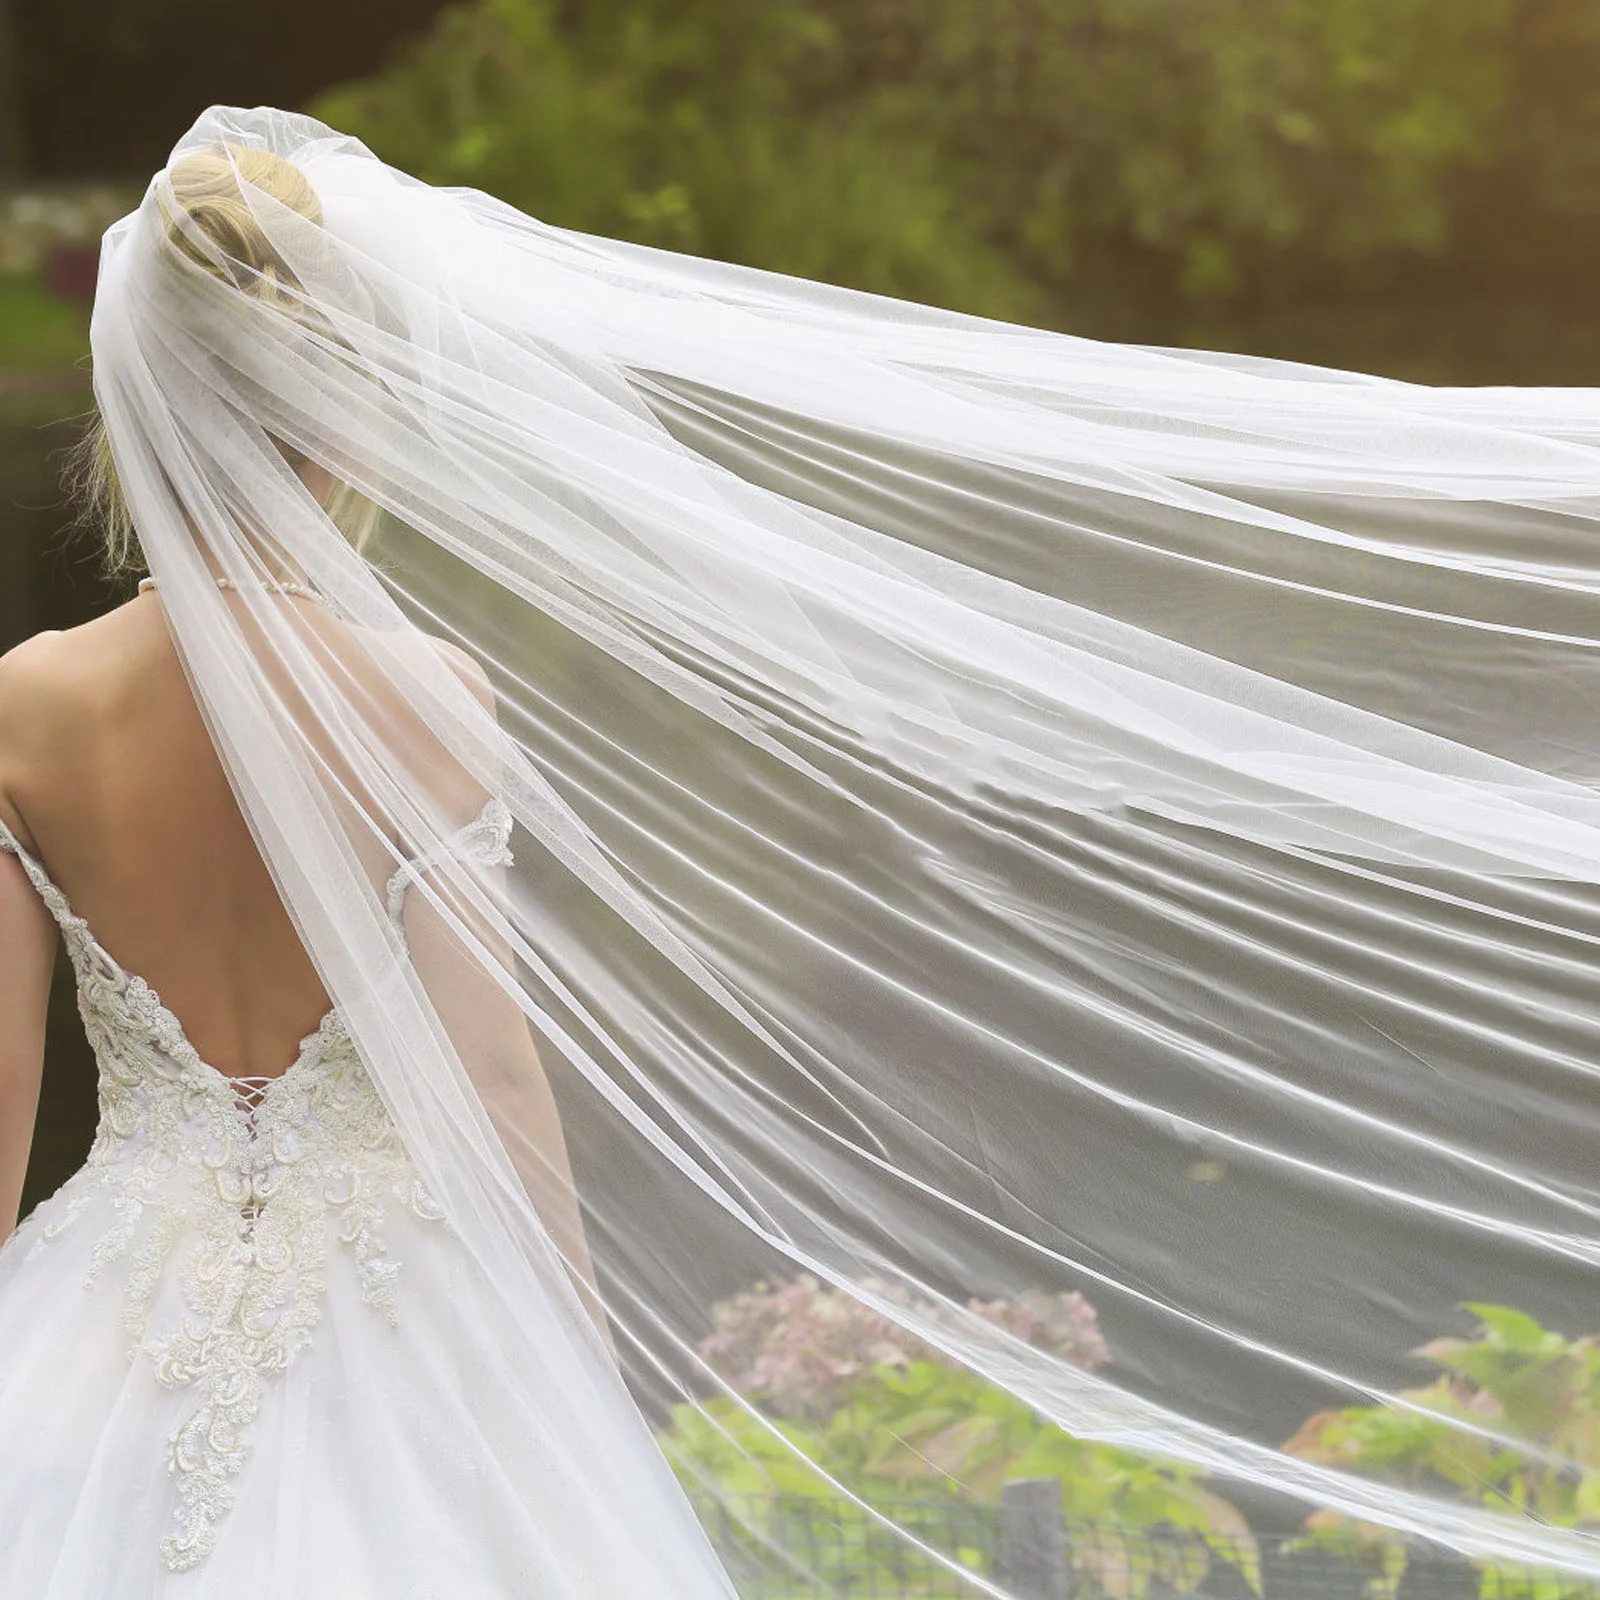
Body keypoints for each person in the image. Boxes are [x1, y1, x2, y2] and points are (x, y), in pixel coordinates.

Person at [6, 103, 1600, 1596]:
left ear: (145, 400)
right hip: (398, 1307)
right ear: (340, 398)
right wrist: (567, 1370)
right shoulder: (421, 695)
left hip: (101, 1319)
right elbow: (489, 1080)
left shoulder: (28, 706)